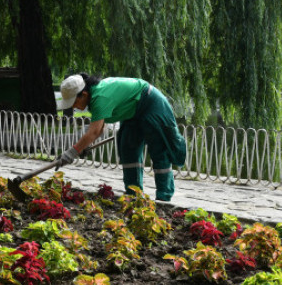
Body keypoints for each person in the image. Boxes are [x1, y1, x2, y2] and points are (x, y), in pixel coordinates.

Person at [54, 73, 187, 202]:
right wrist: (84, 147)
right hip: (132, 112)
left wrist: (71, 153)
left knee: (158, 147)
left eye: (74, 102)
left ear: (84, 94)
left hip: (150, 103)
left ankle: (164, 197)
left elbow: (93, 132)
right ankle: (133, 194)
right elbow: (100, 128)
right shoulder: (94, 97)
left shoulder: (100, 97)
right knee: (127, 146)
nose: (74, 107)